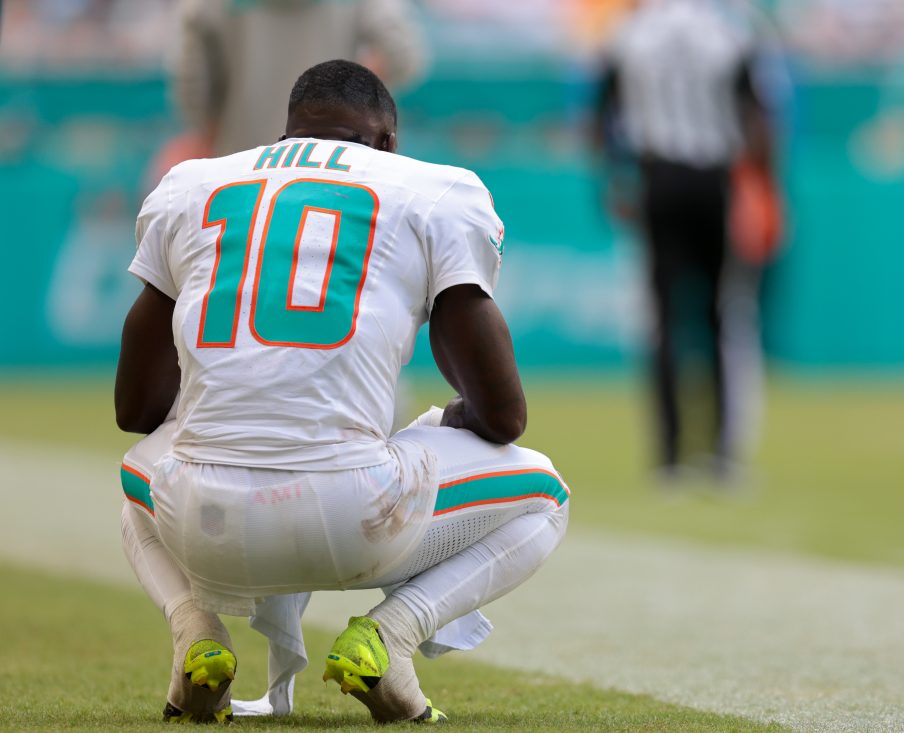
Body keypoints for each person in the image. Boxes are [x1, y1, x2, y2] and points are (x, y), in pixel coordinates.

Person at [115, 59, 570, 724]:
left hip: (200, 523)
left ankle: (195, 630)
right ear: (387, 140)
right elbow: (506, 416)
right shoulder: (433, 190)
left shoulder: (194, 183)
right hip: (354, 515)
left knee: (138, 479)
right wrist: (452, 417)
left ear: (290, 131)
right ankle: (391, 635)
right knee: (546, 494)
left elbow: (137, 410)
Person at [594, 0, 776, 479]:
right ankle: (720, 450)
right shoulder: (730, 31)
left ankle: (670, 455)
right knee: (720, 315)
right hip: (713, 180)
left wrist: (612, 178)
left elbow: (601, 113)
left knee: (664, 320)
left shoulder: (630, 33)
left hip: (658, 179)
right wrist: (765, 187)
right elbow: (756, 116)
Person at [171, 0, 425, 157]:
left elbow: (194, 86)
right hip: (339, 165)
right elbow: (403, 55)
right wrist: (348, 97)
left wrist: (212, 137)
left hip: (245, 164)